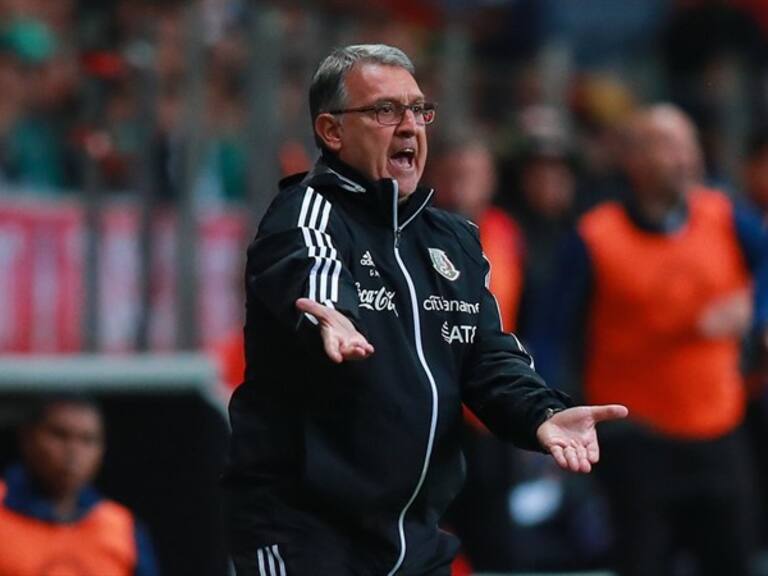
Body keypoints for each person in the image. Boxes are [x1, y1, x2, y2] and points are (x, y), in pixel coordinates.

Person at [222, 44, 627, 576]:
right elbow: (313, 271)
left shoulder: (454, 239)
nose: (410, 126)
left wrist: (542, 413)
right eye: (385, 110)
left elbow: (486, 356)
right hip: (305, 532)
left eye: (418, 110)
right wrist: (331, 315)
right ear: (331, 131)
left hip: (414, 536)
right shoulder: (305, 211)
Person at [540, 104, 768, 576]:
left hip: (719, 430)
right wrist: (546, 412)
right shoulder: (594, 236)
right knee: (641, 561)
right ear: (633, 159)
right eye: (667, 145)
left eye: (688, 144)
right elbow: (550, 331)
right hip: (634, 437)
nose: (685, 158)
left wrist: (755, 307)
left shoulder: (724, 216)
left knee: (733, 560)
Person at [0, 394, 159, 576]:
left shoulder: (122, 528)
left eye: (88, 440)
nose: (73, 452)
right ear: (27, 437)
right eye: (60, 435)